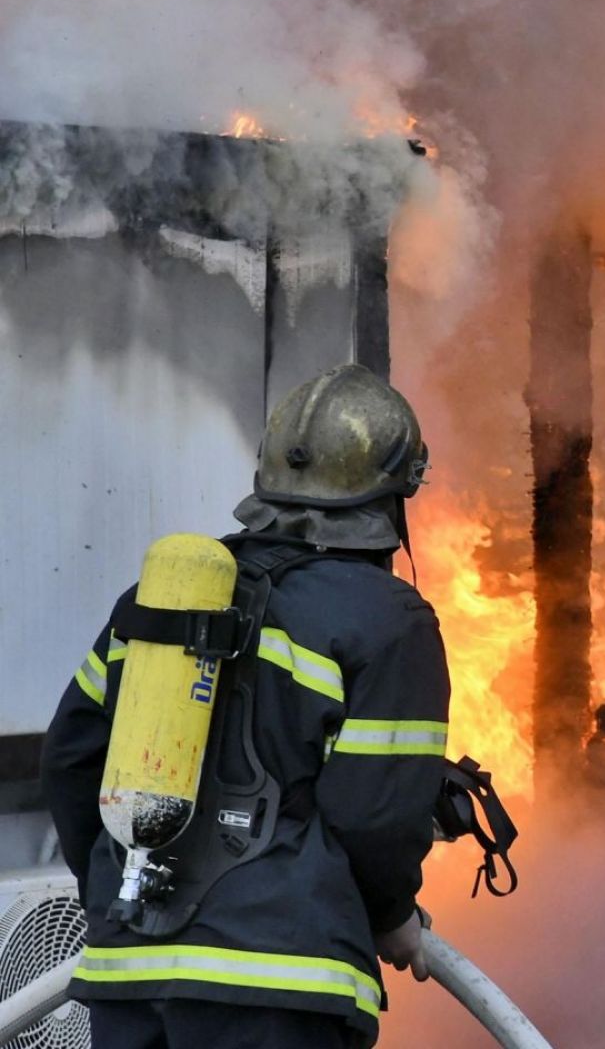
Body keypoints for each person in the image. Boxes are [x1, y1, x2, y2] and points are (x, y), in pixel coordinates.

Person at [42, 364, 452, 1049]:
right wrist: (392, 916)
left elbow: (71, 761)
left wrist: (122, 898)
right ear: (395, 492)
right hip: (279, 989)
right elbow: (374, 819)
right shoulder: (389, 621)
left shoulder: (158, 600)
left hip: (128, 977)